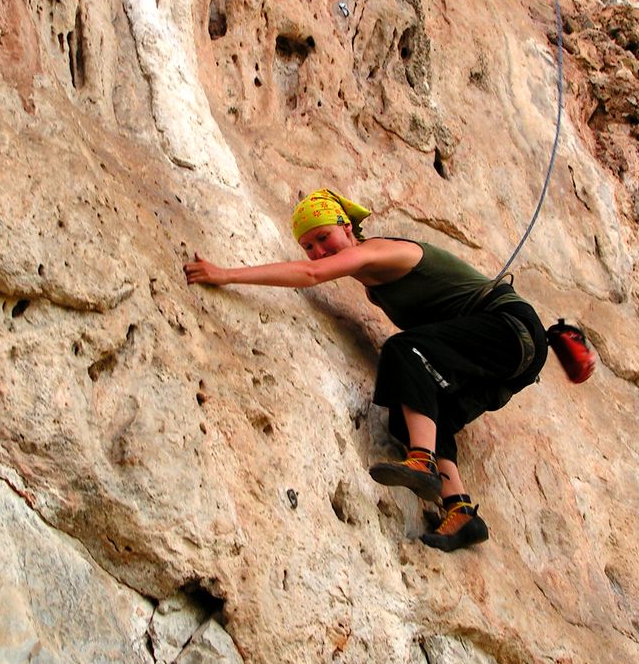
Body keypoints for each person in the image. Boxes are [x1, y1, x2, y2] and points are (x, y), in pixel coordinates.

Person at [184, 189, 548, 552]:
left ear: (346, 227)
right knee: (417, 416)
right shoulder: (374, 286)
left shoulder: (379, 250)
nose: (318, 252)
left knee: (404, 351)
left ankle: (423, 462)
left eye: (323, 237)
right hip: (509, 363)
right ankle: (461, 511)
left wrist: (226, 275)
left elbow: (312, 274)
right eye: (308, 246)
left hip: (509, 328)